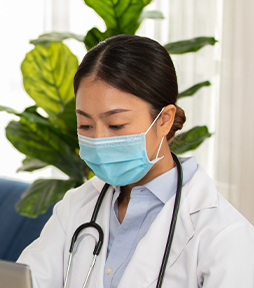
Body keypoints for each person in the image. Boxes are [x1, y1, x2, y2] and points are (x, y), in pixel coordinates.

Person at [17, 34, 254, 287]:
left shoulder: (224, 235)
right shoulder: (78, 206)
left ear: (164, 120)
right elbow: (24, 281)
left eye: (116, 125)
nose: (98, 139)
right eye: (85, 125)